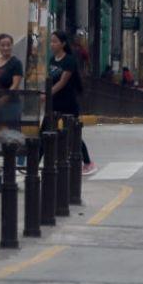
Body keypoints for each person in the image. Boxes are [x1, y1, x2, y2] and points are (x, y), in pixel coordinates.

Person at [49, 29, 96, 175]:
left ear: (62, 44)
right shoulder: (51, 60)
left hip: (68, 103)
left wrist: (47, 94)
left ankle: (88, 162)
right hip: (54, 103)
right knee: (48, 131)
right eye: (51, 41)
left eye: (55, 41)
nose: (52, 44)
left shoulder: (69, 60)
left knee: (73, 134)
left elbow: (62, 82)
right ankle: (45, 162)